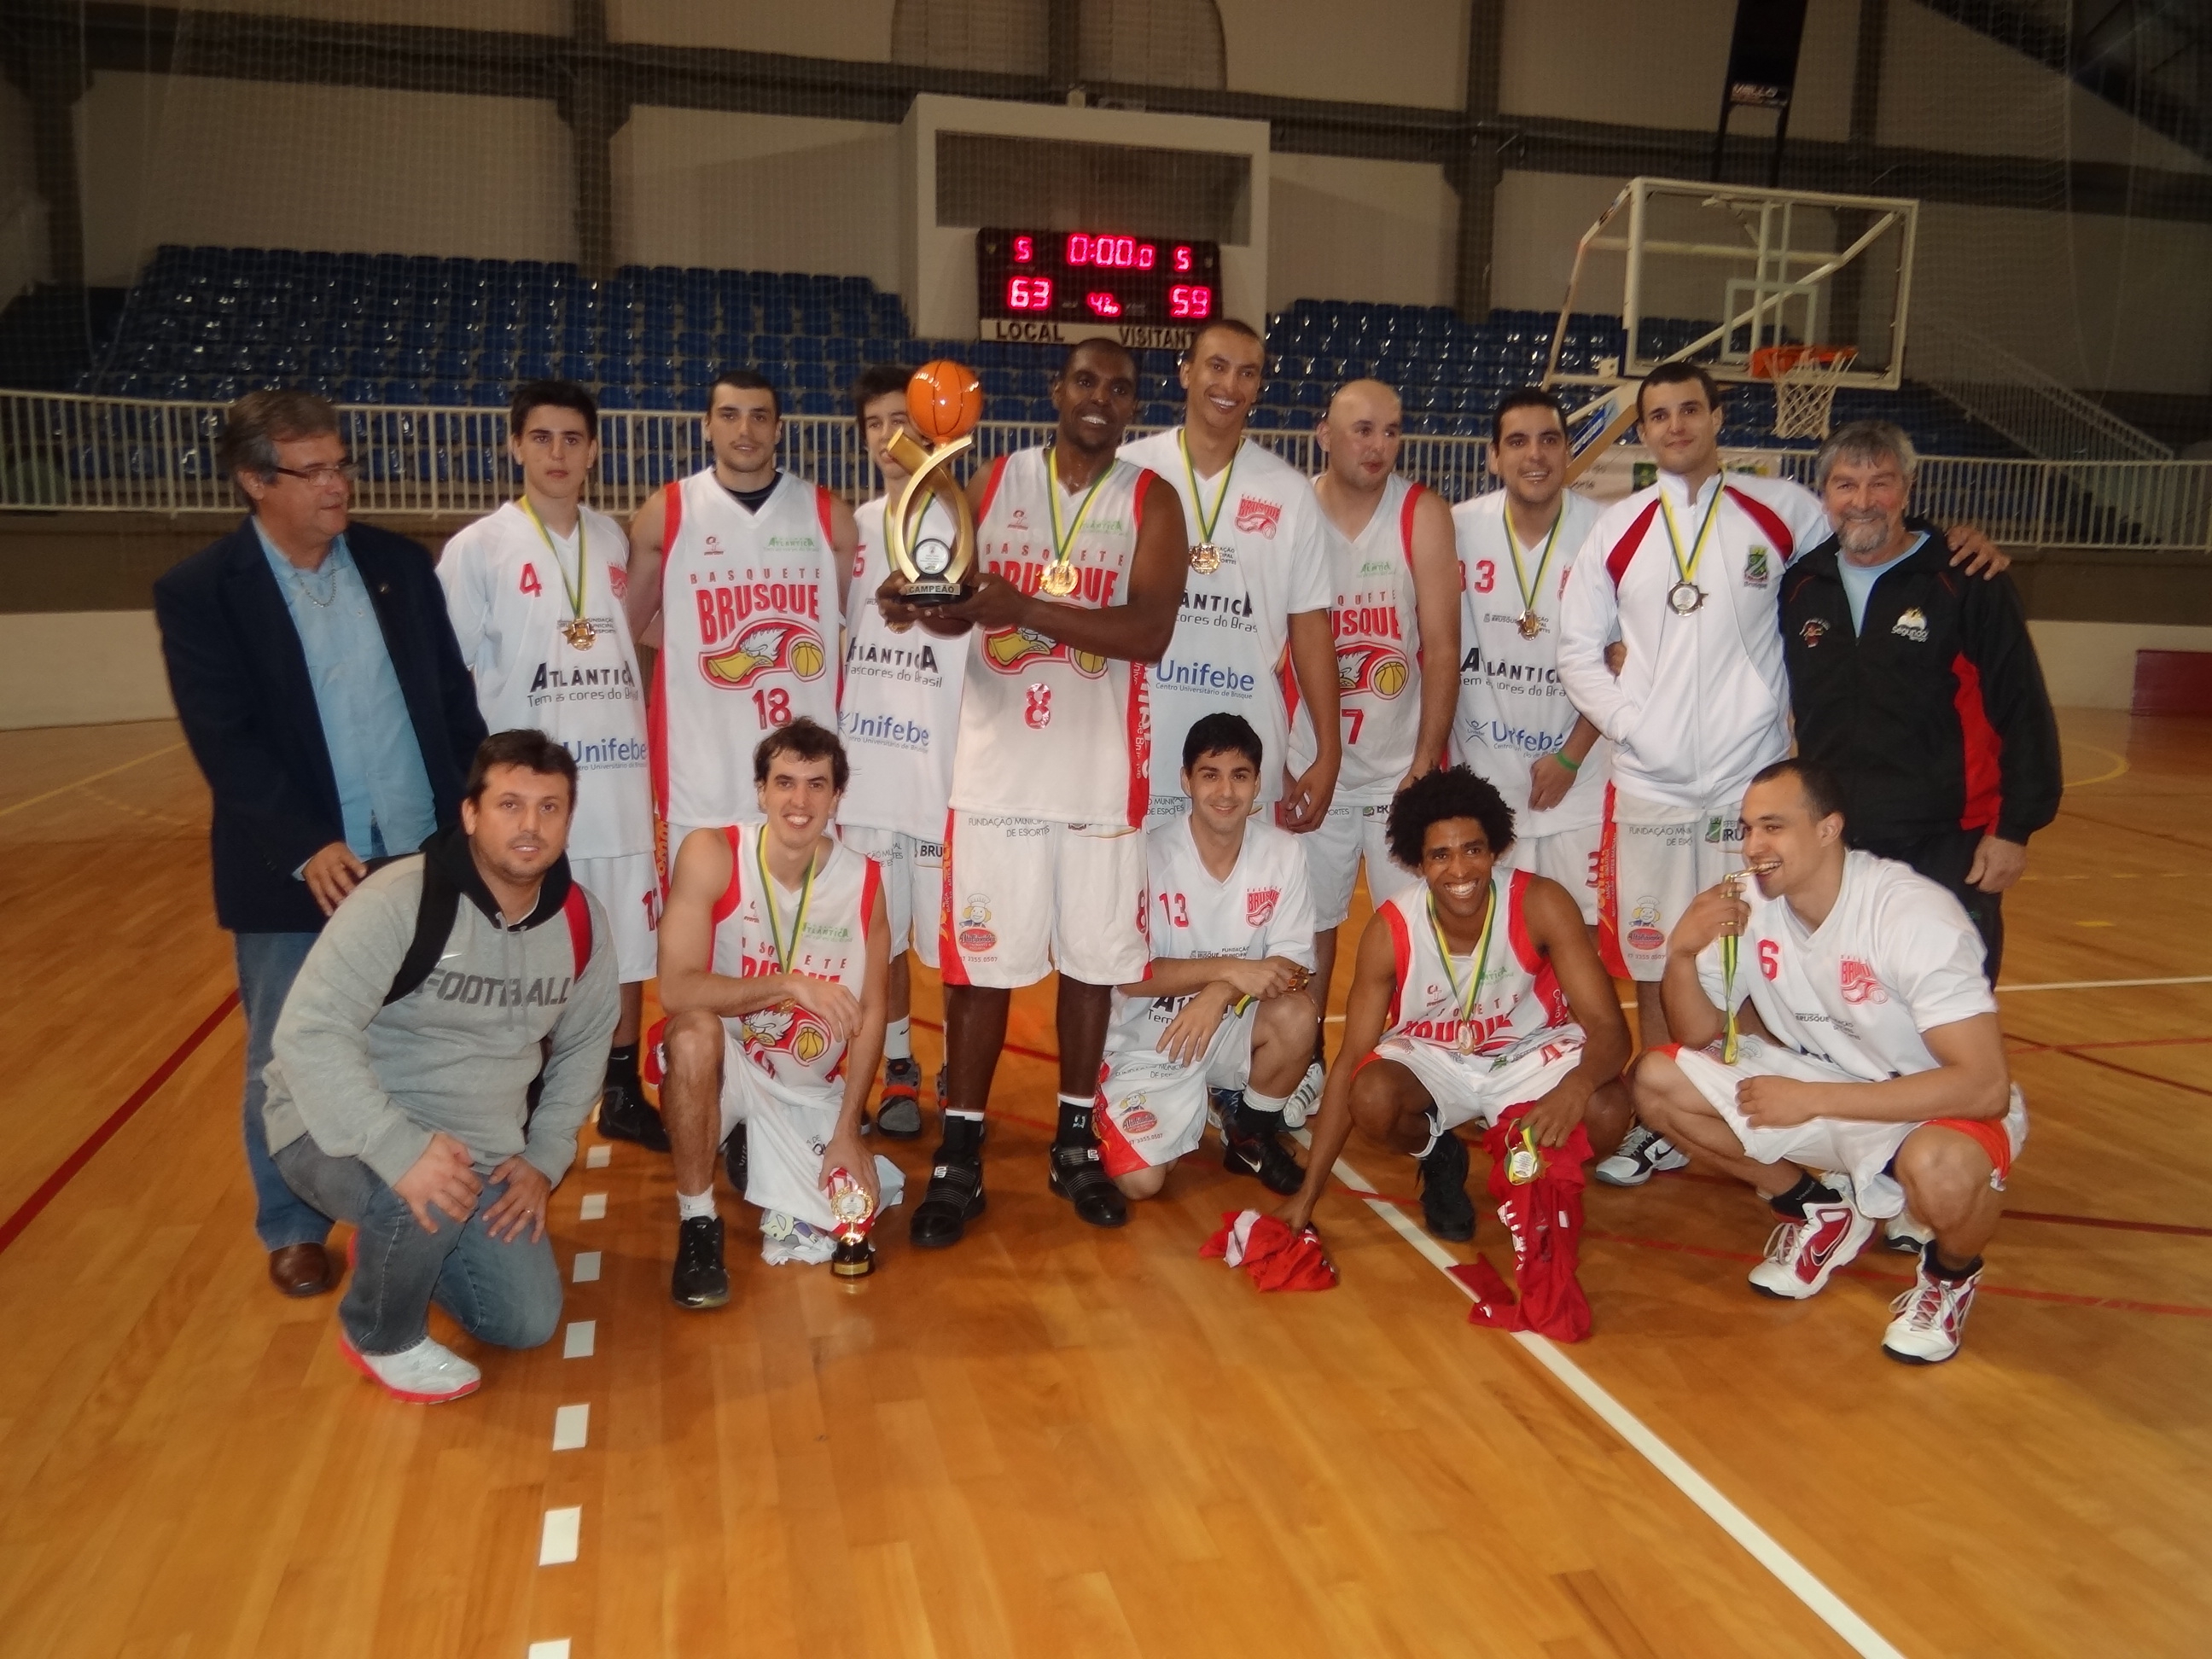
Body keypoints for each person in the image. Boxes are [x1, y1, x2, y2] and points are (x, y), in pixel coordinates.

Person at [1557, 363, 2004, 1188]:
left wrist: (1952, 539)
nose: (1676, 426)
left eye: (1691, 409)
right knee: (1659, 958)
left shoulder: (1783, 509)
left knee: (1757, 951)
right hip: (1652, 783)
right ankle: (1676, 1118)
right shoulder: (1618, 526)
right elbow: (1576, 645)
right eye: (1659, 415)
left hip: (1747, 785)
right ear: (1644, 431)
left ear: (1717, 417)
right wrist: (1630, 723)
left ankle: (1782, 1107)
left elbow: (1871, 544)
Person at [154, 389, 487, 1299]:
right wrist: (308, 845)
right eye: (316, 471)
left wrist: (480, 807)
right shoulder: (200, 593)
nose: (339, 485)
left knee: (420, 1035)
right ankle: (293, 1224)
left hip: (419, 850)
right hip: (297, 871)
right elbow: (225, 741)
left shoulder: (395, 566)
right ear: (254, 481)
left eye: (342, 464)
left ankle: (425, 1195)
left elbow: (452, 704)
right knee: (286, 1048)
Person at [875, 336, 1189, 1247]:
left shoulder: (1151, 500)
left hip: (1099, 782)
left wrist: (1024, 611)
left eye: (1120, 388)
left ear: (1133, 406)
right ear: (1057, 390)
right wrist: (920, 601)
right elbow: (956, 600)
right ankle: (959, 1158)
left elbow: (1150, 630)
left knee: (1092, 968)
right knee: (981, 978)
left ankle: (1074, 1144)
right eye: (1086, 380)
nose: (1101, 397)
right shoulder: (998, 480)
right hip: (996, 776)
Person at [1630, 760, 2026, 1365]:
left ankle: (1948, 1280)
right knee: (1657, 1082)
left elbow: (1984, 1087)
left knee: (1941, 1174)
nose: (1754, 847)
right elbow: (1699, 1032)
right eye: (1747, 829)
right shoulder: (1749, 903)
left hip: (1932, 1105)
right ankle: (1819, 1211)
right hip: (1825, 1082)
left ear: (1828, 828)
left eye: (1773, 827)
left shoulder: (1910, 916)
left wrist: (1813, 1100)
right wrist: (1682, 954)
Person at [261, 731, 618, 1401]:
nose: (529, 826)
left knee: (524, 1322)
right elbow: (309, 1034)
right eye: (510, 804)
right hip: (331, 1127)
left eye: (549, 808)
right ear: (471, 815)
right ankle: (378, 1332)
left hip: (474, 1151)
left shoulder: (580, 922)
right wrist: (399, 1150)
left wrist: (544, 1155)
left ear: (569, 819)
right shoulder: (401, 899)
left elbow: (587, 1040)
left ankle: (400, 1243)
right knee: (417, 1191)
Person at [436, 380, 667, 1154]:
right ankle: (517, 1089)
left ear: (594, 450)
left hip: (619, 778)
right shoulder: (480, 548)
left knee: (630, 938)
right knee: (525, 940)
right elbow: (446, 674)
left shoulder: (617, 542)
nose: (558, 453)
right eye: (542, 438)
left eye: (573, 439)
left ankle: (622, 1085)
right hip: (528, 797)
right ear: (516, 446)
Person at [1277, 766, 1633, 1243]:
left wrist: (1576, 1088)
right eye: (1440, 855)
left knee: (1607, 1109)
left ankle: (1530, 1167)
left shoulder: (1541, 903)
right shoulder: (1391, 928)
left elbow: (1611, 1029)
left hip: (1527, 1051)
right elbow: (1349, 1061)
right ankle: (1438, 1152)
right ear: (1418, 862)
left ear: (1495, 849)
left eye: (1473, 850)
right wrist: (1308, 1194)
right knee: (1372, 1097)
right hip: (1436, 1057)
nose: (1460, 870)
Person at [1780, 419, 2061, 981]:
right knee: (1847, 998)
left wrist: (2014, 830)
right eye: (1845, 485)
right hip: (1838, 838)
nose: (1863, 502)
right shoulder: (1802, 586)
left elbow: (2022, 707)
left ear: (1907, 489)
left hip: (1946, 841)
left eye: (1880, 483)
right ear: (1825, 495)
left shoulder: (1966, 580)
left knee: (1946, 998)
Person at [654, 720, 890, 1308]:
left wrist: (848, 1132)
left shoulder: (865, 881)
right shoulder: (712, 853)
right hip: (727, 1066)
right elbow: (676, 989)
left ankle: (752, 1147)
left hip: (808, 1088)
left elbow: (874, 1010)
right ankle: (698, 1223)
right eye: (785, 782)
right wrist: (787, 985)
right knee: (691, 1035)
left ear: (838, 797)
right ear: (761, 790)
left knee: (844, 1222)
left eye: (817, 785)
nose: (800, 801)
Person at [1285, 379, 1461, 1121]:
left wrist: (1424, 765)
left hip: (1398, 770)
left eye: (1390, 431)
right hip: (1313, 760)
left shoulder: (1421, 513)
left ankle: (1414, 1068)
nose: (1377, 446)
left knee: (1417, 936)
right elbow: (1278, 641)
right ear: (1323, 433)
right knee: (1311, 929)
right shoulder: (1295, 511)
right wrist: (1287, 759)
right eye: (1361, 430)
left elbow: (1443, 647)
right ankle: (1304, 1064)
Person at [1121, 318, 1341, 833]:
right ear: (1186, 372)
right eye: (1217, 367)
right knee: (1137, 907)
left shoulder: (1289, 491)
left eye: (1247, 373)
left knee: (1239, 909)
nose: (1230, 386)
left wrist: (1329, 752)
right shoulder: (1130, 471)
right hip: (1139, 733)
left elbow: (1310, 626)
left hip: (1246, 742)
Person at [623, 367, 859, 846]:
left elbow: (856, 625)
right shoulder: (667, 511)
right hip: (700, 767)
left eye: (759, 417)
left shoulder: (827, 514)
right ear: (707, 424)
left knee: (798, 916)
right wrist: (693, 639)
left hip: (802, 772)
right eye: (729, 416)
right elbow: (627, 625)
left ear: (778, 429)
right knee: (699, 912)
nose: (745, 431)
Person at [1097, 714, 1318, 1199]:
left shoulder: (1284, 854)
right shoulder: (1147, 856)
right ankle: (1143, 1100)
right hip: (1149, 1038)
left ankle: (1248, 1131)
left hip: (1229, 1027)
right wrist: (1227, 969)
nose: (1225, 792)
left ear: (1258, 783)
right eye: (1210, 774)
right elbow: (1129, 976)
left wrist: (1220, 991)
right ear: (1185, 780)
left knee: (1298, 1016)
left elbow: (1296, 967)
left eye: (1240, 776)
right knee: (1141, 1184)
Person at [837, 363, 968, 1139]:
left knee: (951, 948)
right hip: (867, 778)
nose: (890, 438)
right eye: (876, 425)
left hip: (942, 771)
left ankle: (957, 1069)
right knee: (879, 944)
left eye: (905, 424)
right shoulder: (851, 531)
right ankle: (897, 1067)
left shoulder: (962, 524)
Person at [1451, 387, 1610, 935]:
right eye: (1517, 441)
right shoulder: (1457, 528)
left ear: (1568, 451)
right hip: (1484, 775)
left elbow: (1626, 662)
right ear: (1494, 456)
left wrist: (1570, 757)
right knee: (1493, 936)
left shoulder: (1606, 533)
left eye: (1549, 440)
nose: (1534, 455)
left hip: (1580, 777)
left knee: (1581, 934)